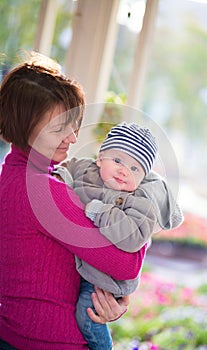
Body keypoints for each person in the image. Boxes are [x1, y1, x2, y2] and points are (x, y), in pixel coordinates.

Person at [0, 52, 147, 350]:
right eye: (58, 129)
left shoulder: (10, 176)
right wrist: (145, 209)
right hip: (52, 340)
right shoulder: (42, 192)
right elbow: (127, 264)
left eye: (73, 123)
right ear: (22, 126)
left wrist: (115, 298)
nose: (72, 137)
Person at [53, 122, 184, 350]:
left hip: (105, 281)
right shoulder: (84, 169)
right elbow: (64, 171)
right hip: (80, 267)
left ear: (143, 177)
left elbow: (132, 237)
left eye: (135, 169)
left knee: (87, 315)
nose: (124, 171)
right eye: (117, 161)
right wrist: (61, 179)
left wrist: (100, 212)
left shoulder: (140, 201)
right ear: (100, 157)